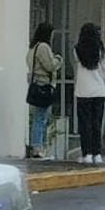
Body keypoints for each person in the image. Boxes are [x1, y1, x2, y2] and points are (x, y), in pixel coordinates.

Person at [73, 23, 105, 165]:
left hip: (82, 91)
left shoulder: (77, 50)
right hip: (98, 91)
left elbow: (76, 65)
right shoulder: (102, 51)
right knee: (97, 123)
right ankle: (97, 154)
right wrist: (99, 74)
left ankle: (86, 154)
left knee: (85, 124)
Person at [26, 22, 62, 160]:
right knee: (41, 117)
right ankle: (38, 147)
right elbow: (50, 65)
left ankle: (38, 146)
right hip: (43, 85)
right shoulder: (43, 47)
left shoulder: (33, 47)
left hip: (36, 84)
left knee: (39, 117)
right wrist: (59, 59)